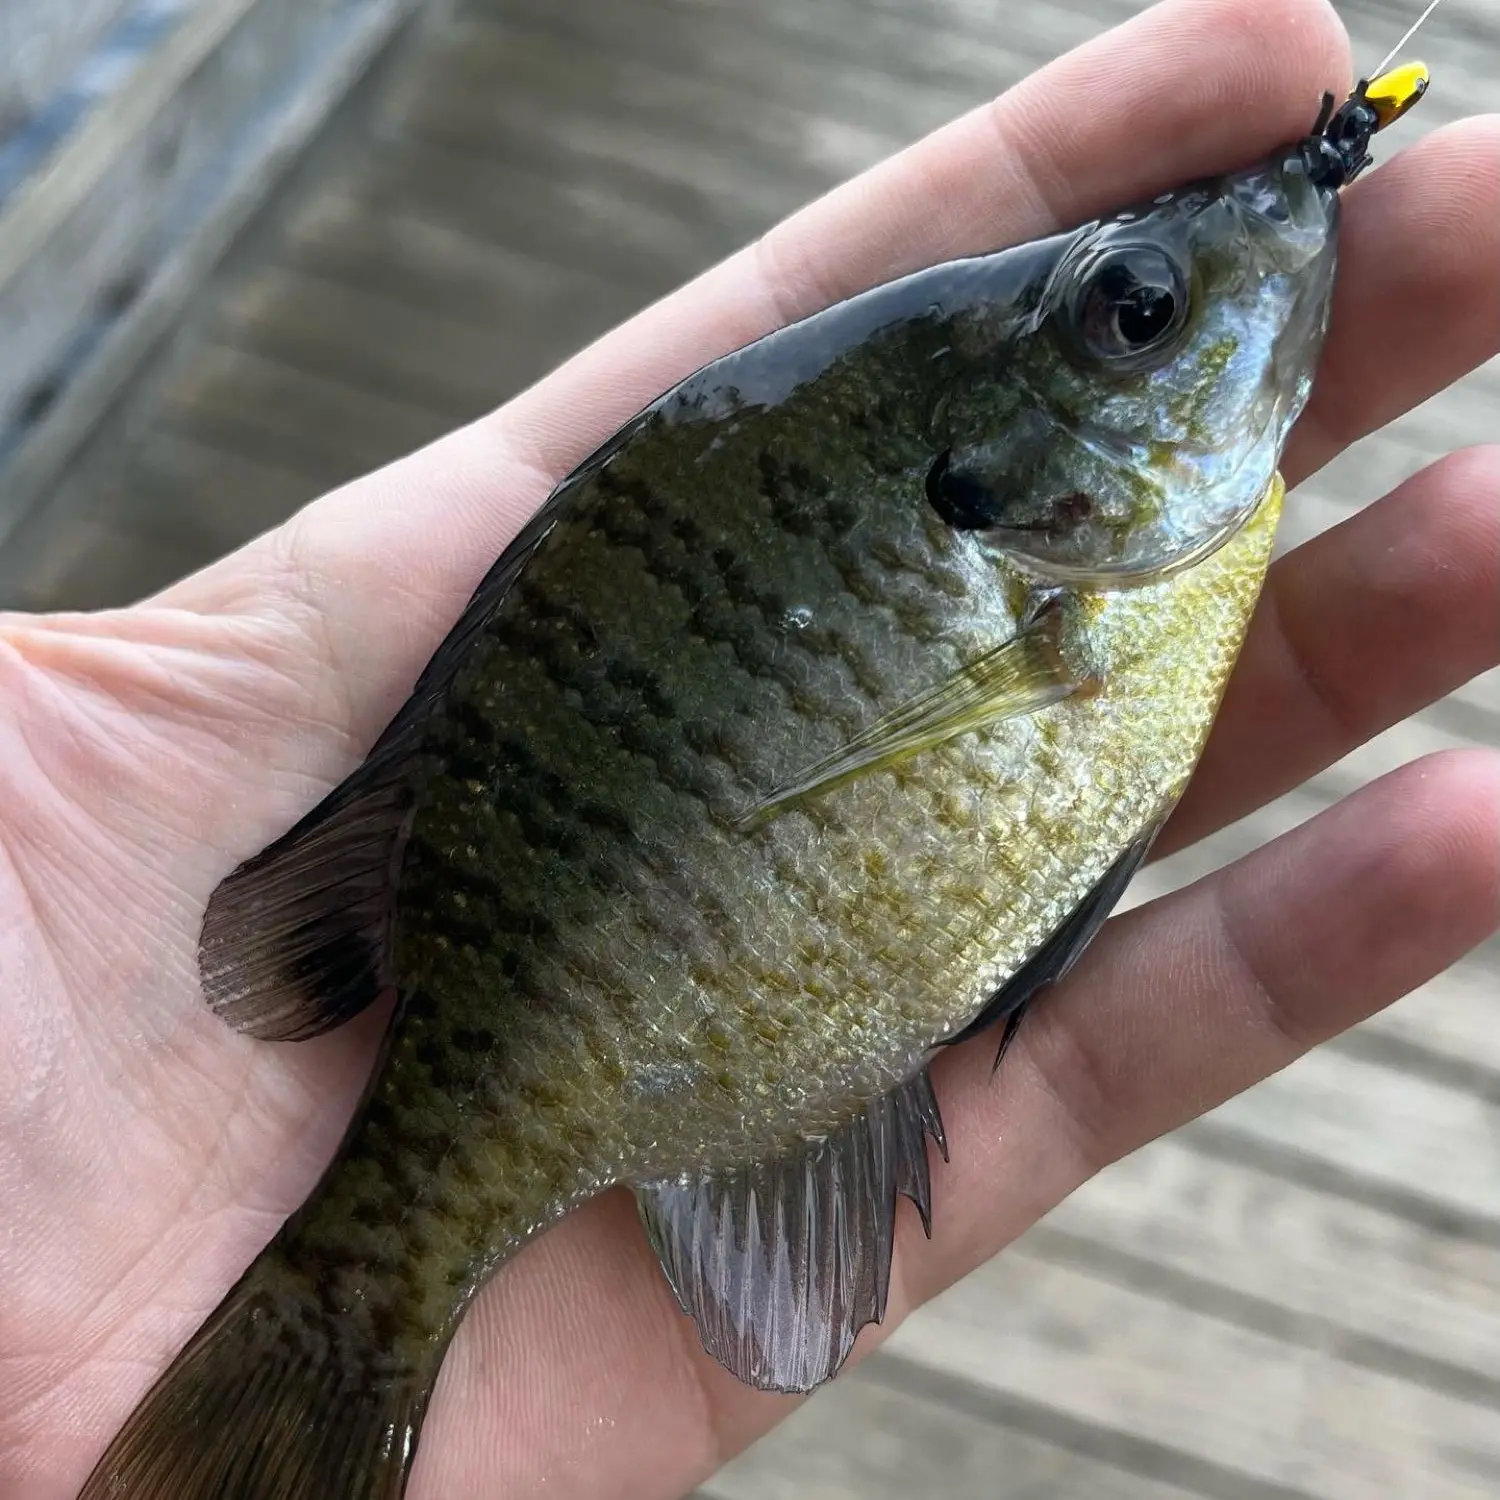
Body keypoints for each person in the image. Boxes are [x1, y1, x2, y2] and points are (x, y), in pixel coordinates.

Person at [1, 0, 1496, 1495]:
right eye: (1140, 316)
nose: (1206, 296)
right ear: (986, 472)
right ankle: (352, 1318)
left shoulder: (1097, 557)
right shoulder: (1065, 558)